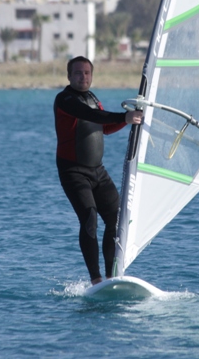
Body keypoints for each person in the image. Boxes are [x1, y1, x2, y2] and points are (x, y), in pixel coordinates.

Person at [53, 56, 143, 285]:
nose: (83, 77)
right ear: (68, 76)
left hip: (98, 171)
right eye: (78, 73)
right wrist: (124, 116)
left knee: (116, 217)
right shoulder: (65, 100)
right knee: (89, 218)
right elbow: (90, 115)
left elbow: (104, 127)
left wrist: (128, 120)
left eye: (87, 73)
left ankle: (112, 277)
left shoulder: (93, 98)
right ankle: (96, 279)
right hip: (73, 171)